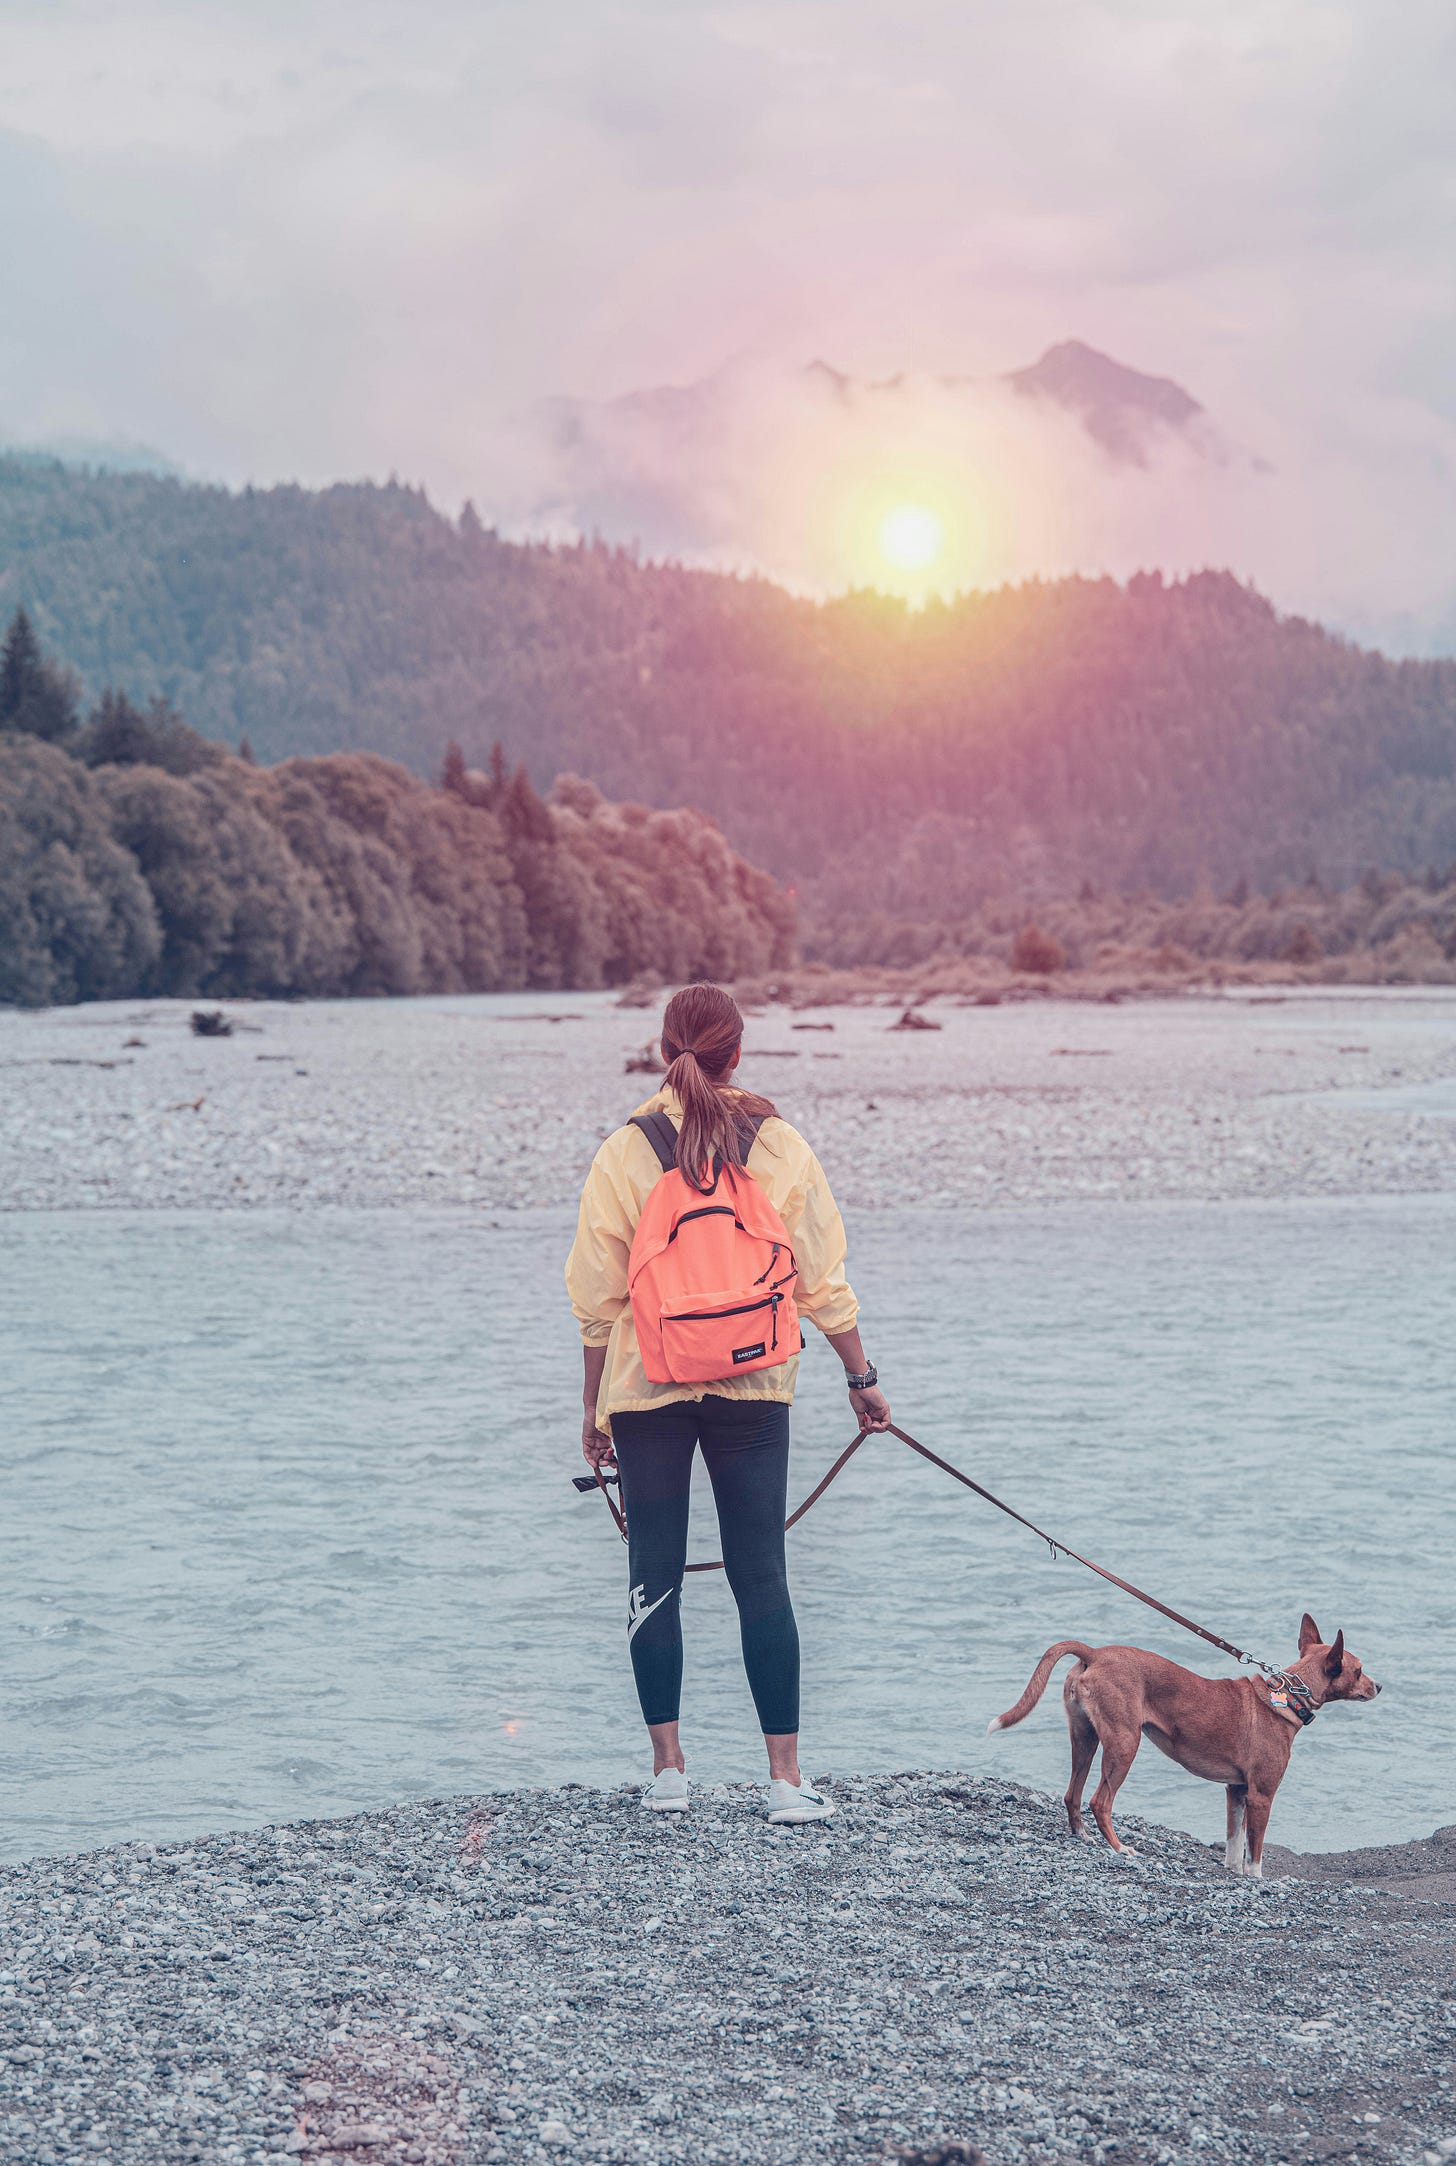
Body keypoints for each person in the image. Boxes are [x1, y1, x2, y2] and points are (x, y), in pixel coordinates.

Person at [565, 980, 890, 1822]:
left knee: (654, 1574)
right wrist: (862, 1380)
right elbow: (822, 1282)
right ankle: (783, 1782)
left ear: (662, 1050)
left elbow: (597, 1300)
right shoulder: (778, 1143)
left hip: (647, 1390)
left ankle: (669, 1773)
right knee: (761, 1574)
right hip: (754, 1384)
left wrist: (595, 1412)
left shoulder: (624, 1150)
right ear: (738, 1051)